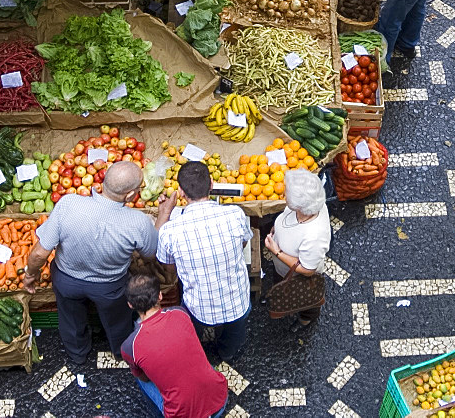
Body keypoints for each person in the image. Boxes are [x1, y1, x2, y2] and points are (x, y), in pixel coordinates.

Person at [23, 161, 157, 365]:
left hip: (67, 280)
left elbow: (39, 254)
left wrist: (31, 275)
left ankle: (77, 354)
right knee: (118, 320)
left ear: (102, 181)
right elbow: (150, 255)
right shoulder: (138, 221)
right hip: (110, 287)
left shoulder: (68, 204)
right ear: (130, 195)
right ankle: (121, 352)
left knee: (70, 318)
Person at [155, 161, 252, 361]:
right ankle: (227, 353)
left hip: (198, 308)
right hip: (238, 302)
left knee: (193, 333)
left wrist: (164, 213)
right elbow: (243, 243)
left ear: (180, 192)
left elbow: (168, 266)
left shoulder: (170, 230)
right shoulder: (235, 214)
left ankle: (196, 354)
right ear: (211, 185)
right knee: (234, 334)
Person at [121, 273, 229, 418]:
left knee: (139, 379)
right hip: (219, 400)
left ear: (130, 305)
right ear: (160, 296)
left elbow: (145, 378)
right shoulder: (179, 313)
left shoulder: (129, 346)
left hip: (182, 414)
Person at [263, 169, 332, 332]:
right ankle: (277, 298)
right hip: (282, 269)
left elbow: (307, 270)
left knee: (306, 299)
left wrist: (277, 251)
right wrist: (276, 229)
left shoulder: (314, 235)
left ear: (299, 205)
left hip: (297, 275)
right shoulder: (311, 206)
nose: (284, 193)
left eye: (287, 193)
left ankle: (305, 319)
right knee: (281, 285)